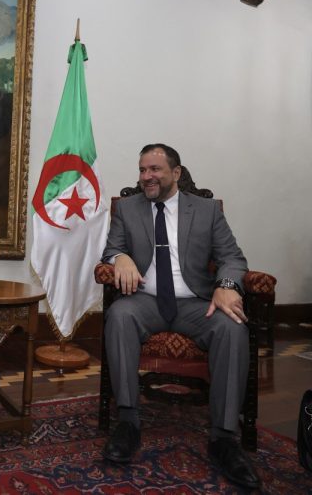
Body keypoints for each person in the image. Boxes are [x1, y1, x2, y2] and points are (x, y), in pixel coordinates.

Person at [100, 144, 259, 490]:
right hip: (145, 301)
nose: (146, 177)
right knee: (119, 315)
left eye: (155, 169)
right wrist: (119, 258)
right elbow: (111, 249)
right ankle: (128, 422)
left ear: (176, 173)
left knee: (232, 326)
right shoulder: (127, 208)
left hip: (195, 303)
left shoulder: (206, 210)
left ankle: (223, 437)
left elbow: (232, 258)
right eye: (142, 170)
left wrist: (226, 286)